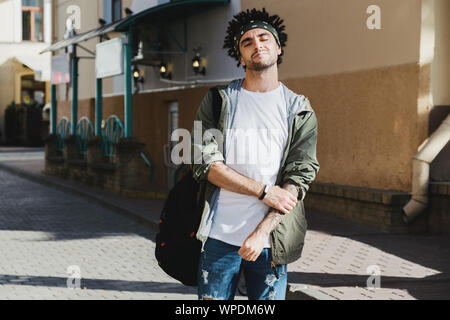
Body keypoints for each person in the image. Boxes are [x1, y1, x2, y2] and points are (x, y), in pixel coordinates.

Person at [190, 8, 320, 300]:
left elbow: (299, 177)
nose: (256, 44)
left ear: (278, 47)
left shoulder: (299, 109)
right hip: (219, 237)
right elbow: (204, 163)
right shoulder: (217, 101)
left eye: (263, 37)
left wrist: (262, 231)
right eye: (247, 42)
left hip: (271, 242)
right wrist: (263, 191)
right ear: (240, 56)